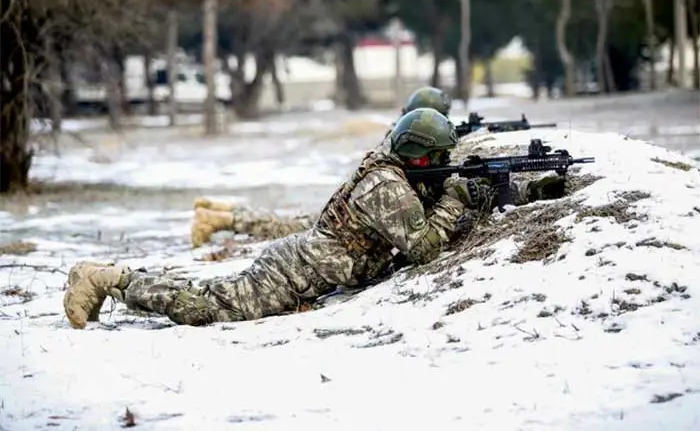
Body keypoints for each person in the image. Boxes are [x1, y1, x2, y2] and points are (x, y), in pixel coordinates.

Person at [63, 108, 566, 329]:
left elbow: (452, 186)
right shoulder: (385, 186)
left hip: (306, 266)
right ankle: (107, 278)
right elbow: (426, 246)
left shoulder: (400, 171)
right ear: (420, 158)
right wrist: (456, 197)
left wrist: (523, 187)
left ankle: (117, 278)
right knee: (206, 309)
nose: (441, 167)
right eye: (437, 159)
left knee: (208, 295)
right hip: (291, 272)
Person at [190, 86, 455, 248]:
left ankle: (223, 211)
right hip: (349, 217)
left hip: (351, 207)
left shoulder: (400, 135)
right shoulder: (403, 145)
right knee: (283, 226)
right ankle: (221, 219)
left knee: (287, 222)